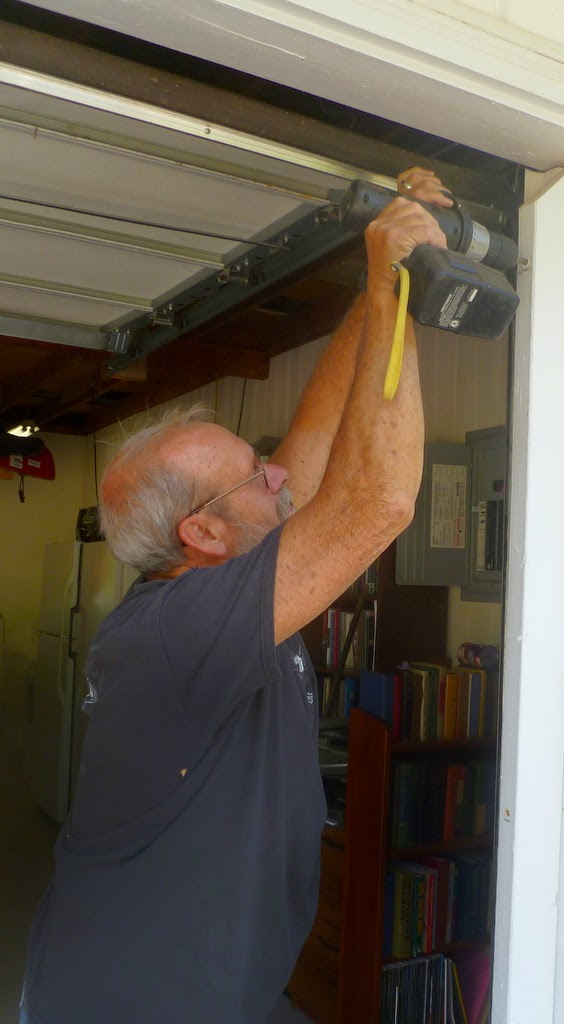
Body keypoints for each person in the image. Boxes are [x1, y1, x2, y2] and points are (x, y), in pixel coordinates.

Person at [21, 168, 452, 1024]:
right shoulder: (174, 631)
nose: (279, 473)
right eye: (257, 475)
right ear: (204, 535)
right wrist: (397, 284)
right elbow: (378, 501)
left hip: (218, 993)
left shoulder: (225, 578)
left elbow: (321, 433)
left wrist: (378, 287)